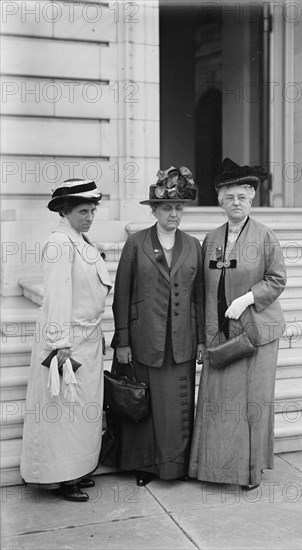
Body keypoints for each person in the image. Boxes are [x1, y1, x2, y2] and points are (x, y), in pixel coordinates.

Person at [101, 165, 204, 486]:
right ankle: (144, 465)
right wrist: (123, 342)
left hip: (182, 341)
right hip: (145, 339)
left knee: (177, 407)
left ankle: (175, 466)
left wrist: (201, 340)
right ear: (155, 211)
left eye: (178, 208)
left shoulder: (194, 246)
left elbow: (199, 298)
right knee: (145, 407)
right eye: (167, 208)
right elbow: (122, 294)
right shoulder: (136, 244)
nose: (173, 214)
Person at [189, 158, 287, 490]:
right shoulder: (211, 238)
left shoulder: (264, 236)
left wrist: (248, 298)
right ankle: (213, 467)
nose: (236, 203)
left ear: (251, 200)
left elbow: (277, 279)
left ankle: (250, 471)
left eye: (242, 197)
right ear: (220, 200)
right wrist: (204, 339)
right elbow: (202, 289)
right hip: (220, 333)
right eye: (229, 197)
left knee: (253, 403)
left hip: (258, 332)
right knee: (218, 401)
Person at [20, 179, 112, 502]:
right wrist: (60, 345)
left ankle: (79, 469)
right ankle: (61, 477)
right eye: (82, 211)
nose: (89, 217)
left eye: (92, 210)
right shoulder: (60, 243)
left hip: (88, 338)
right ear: (65, 211)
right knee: (64, 415)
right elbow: (57, 294)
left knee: (84, 412)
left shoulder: (81, 240)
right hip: (67, 341)